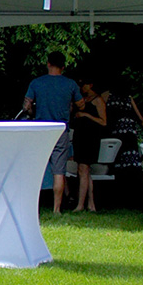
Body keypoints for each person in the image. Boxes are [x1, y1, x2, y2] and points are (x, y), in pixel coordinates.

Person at [22, 51, 82, 214]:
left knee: (35, 167)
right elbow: (81, 104)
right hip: (60, 129)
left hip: (40, 129)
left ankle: (31, 205)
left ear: (48, 63)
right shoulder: (70, 84)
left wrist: (32, 114)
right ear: (63, 66)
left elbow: (26, 107)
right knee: (59, 170)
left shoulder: (36, 83)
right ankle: (56, 209)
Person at [102, 81, 143, 207]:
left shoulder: (107, 95)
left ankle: (120, 194)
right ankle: (135, 194)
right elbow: (140, 118)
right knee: (132, 162)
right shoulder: (128, 98)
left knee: (118, 162)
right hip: (130, 134)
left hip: (116, 133)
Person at [71, 76, 108, 212]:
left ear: (90, 85)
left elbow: (103, 122)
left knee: (83, 169)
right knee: (84, 171)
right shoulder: (82, 101)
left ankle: (80, 204)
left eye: (83, 84)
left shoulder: (98, 100)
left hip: (90, 138)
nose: (82, 87)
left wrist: (86, 115)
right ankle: (91, 204)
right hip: (80, 137)